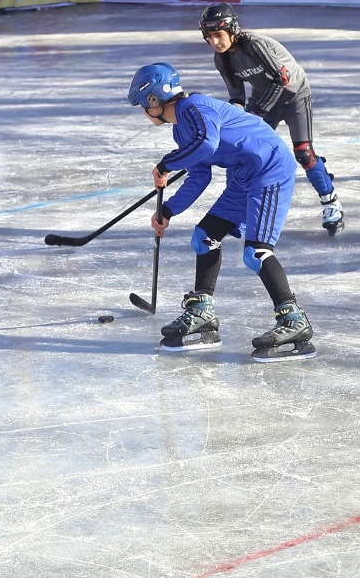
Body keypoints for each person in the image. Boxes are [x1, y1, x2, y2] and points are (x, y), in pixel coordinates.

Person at [128, 62, 315, 361]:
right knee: (203, 237)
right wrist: (168, 209)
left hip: (268, 169)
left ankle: (294, 320)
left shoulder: (194, 108)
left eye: (141, 104)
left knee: (256, 253)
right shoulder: (181, 130)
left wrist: (165, 164)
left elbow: (206, 143)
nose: (142, 111)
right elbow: (199, 175)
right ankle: (202, 312)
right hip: (244, 176)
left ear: (153, 99)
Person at [198, 2, 344, 235]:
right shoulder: (222, 59)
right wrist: (230, 123)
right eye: (209, 37)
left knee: (304, 152)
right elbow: (236, 97)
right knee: (240, 153)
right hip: (264, 99)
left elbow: (282, 79)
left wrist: (256, 114)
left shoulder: (255, 45)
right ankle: (237, 211)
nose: (215, 42)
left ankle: (330, 201)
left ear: (233, 30)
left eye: (219, 35)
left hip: (295, 95)